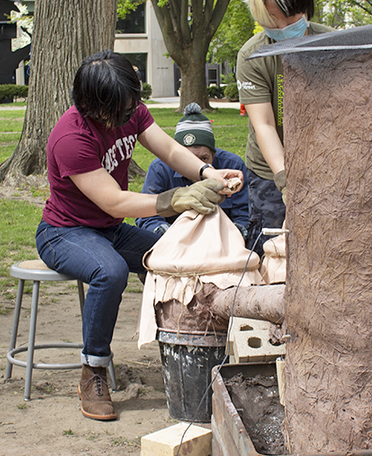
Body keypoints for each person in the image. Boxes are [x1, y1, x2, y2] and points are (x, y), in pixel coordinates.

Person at [36, 50, 243, 421]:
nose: (131, 115)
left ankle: (186, 350)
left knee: (176, 256)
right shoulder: (71, 137)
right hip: (64, 232)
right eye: (122, 111)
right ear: (92, 105)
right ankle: (93, 371)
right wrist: (176, 198)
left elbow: (167, 149)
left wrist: (207, 173)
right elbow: (114, 201)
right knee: (110, 271)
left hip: (109, 230)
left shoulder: (129, 108)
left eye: (134, 106)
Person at [236, 0, 334, 255]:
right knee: (273, 251)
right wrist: (286, 182)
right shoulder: (252, 56)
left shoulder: (332, 44)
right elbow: (263, 124)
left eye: (293, 17)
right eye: (276, 18)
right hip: (269, 171)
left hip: (322, 164)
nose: (285, 26)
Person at [136, 103, 249, 236]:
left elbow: (243, 213)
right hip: (174, 242)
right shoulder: (160, 169)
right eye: (189, 159)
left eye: (204, 158)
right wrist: (170, 236)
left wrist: (233, 235)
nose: (197, 166)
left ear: (214, 155)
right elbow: (146, 217)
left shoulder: (233, 166)